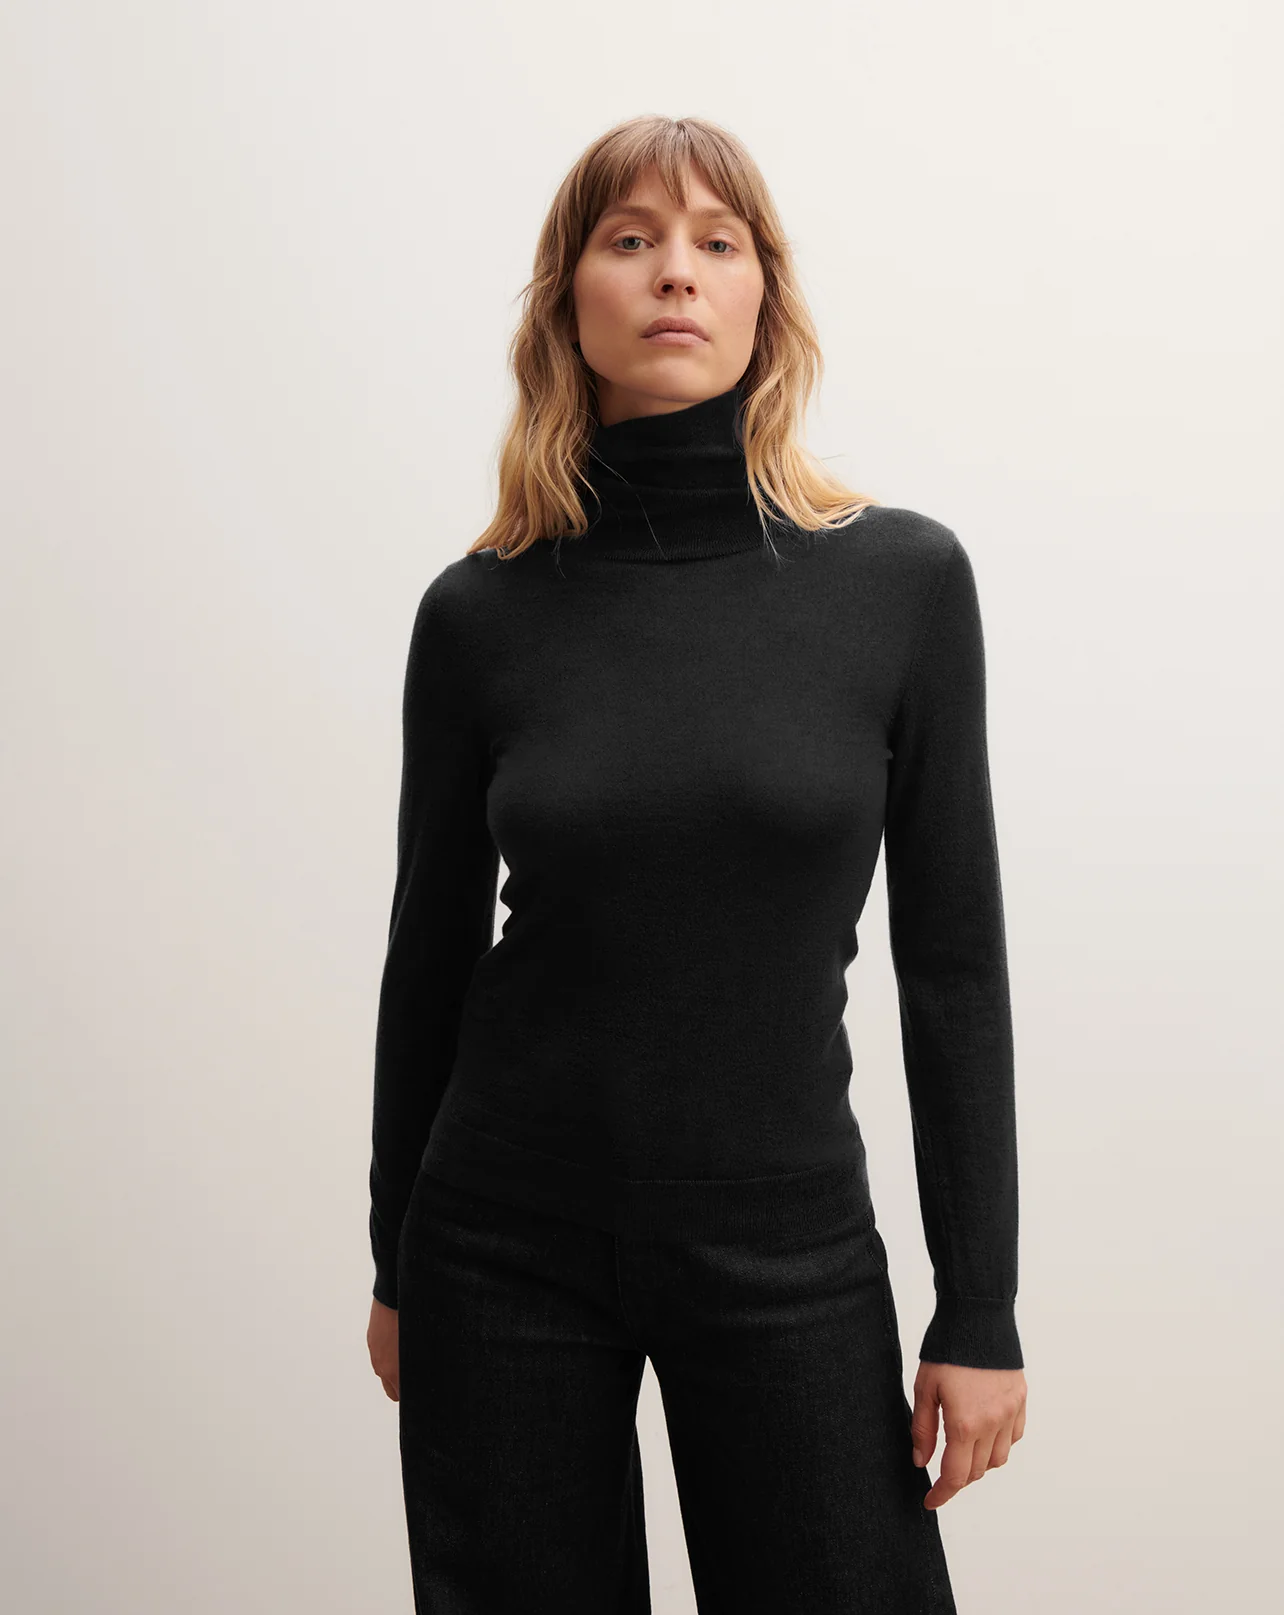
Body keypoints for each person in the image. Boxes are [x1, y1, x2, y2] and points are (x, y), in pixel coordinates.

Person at [365, 112, 1027, 1614]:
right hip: (500, 1244)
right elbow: (429, 956)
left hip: (785, 1238)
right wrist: (397, 1257)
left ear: (762, 299)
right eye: (632, 239)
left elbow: (955, 966)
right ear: (569, 302)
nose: (676, 271)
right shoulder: (480, 612)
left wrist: (978, 1305)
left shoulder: (901, 583)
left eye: (716, 242)